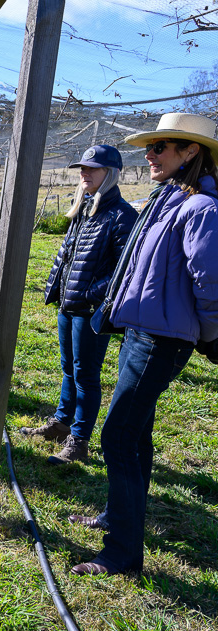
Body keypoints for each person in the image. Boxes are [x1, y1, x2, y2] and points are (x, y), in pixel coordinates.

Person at [70, 113, 218, 576]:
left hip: (162, 340)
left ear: (190, 152)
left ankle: (122, 554)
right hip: (141, 334)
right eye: (149, 147)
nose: (149, 155)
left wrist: (210, 337)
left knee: (117, 437)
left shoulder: (200, 209)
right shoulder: (168, 199)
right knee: (136, 434)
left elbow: (211, 285)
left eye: (160, 147)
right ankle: (119, 517)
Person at [20, 145, 137, 464]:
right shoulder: (84, 208)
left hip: (90, 311)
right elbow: (67, 256)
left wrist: (89, 294)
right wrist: (57, 288)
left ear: (110, 174)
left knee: (86, 374)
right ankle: (60, 424)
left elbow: (125, 269)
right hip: (68, 306)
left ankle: (79, 441)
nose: (84, 173)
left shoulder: (122, 216)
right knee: (69, 369)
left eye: (92, 168)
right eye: (82, 168)